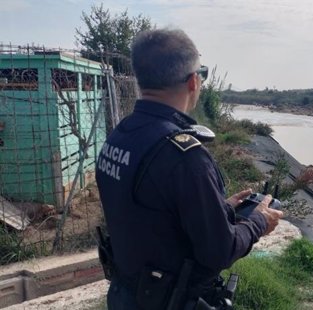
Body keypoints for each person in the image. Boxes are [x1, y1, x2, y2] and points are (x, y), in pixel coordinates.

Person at [95, 28, 283, 309]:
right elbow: (220, 252)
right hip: (169, 301)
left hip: (125, 295)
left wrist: (222, 210)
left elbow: (150, 215)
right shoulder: (185, 156)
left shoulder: (120, 134)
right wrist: (258, 222)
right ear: (194, 82)